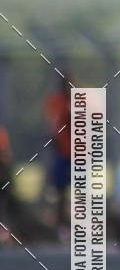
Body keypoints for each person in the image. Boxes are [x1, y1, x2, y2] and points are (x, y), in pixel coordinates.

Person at [44, 74, 72, 231]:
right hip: (62, 151)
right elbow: (52, 125)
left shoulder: (77, 101)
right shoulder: (56, 102)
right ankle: (61, 220)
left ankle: (73, 218)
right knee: (60, 188)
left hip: (76, 152)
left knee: (77, 186)